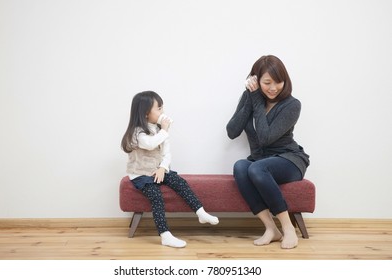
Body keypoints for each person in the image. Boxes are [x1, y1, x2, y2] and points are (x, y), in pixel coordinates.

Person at [226, 55, 310, 249]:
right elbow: (232, 132)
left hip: (289, 159)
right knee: (240, 166)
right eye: (267, 82)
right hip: (260, 161)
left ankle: (288, 228)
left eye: (278, 81)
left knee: (256, 168)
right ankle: (271, 229)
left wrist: (255, 98)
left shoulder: (292, 105)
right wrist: (249, 97)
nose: (273, 87)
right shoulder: (251, 97)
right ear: (255, 80)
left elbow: (265, 137)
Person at [121, 90, 219, 248]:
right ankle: (165, 235)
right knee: (156, 195)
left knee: (179, 181)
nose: (162, 112)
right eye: (159, 109)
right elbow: (149, 144)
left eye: (162, 108)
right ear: (146, 113)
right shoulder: (137, 132)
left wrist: (162, 167)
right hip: (140, 174)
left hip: (157, 170)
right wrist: (165, 130)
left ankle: (200, 212)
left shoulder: (159, 129)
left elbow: (166, 153)